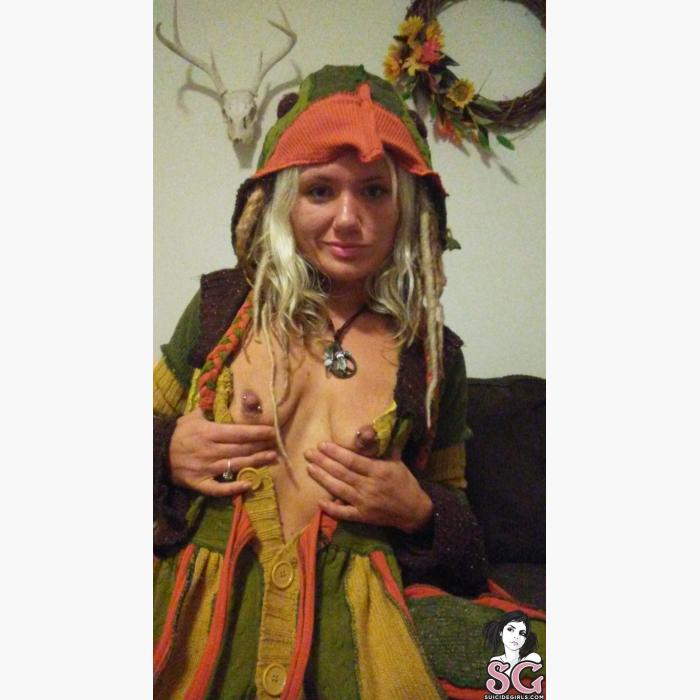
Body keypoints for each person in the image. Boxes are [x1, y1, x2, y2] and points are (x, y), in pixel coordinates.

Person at [153, 64, 542, 699]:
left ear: (407, 207)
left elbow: (464, 527)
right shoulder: (220, 310)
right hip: (195, 620)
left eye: (374, 191)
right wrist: (164, 450)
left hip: (357, 640)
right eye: (320, 191)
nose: (348, 218)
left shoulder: (432, 355)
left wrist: (420, 511)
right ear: (282, 201)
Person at [483, 610, 541, 677]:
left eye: (522, 633)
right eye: (510, 629)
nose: (516, 636)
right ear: (501, 632)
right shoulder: (495, 661)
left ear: (525, 639)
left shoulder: (532, 658)